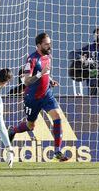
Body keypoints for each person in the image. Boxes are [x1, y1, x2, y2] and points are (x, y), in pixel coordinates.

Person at [8, 32, 69, 162]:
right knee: (31, 126)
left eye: (49, 43)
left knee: (57, 117)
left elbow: (46, 73)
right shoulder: (32, 59)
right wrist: (41, 74)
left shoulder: (48, 56)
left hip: (47, 94)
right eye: (46, 44)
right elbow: (25, 81)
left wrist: (50, 80)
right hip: (32, 98)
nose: (49, 46)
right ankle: (13, 130)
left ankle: (57, 150)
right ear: (38, 45)